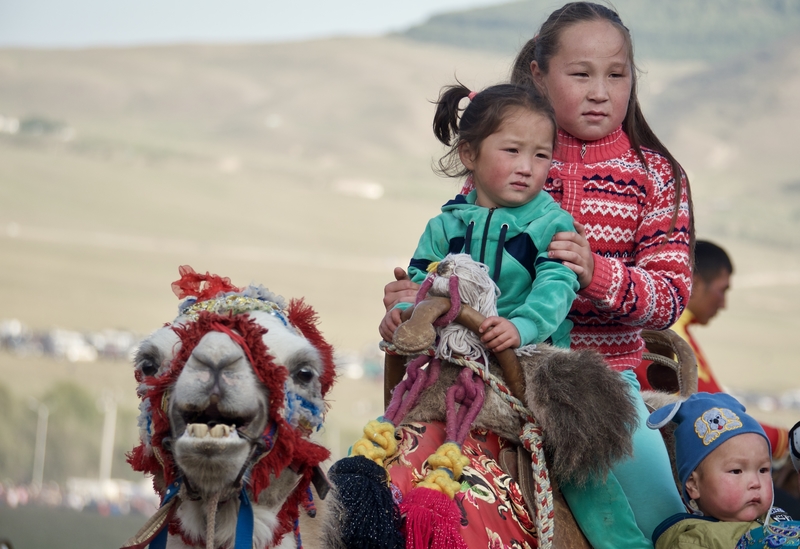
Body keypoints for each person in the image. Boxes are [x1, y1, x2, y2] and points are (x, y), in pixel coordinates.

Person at [383, 3, 692, 547]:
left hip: (599, 381)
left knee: (660, 520)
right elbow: (455, 260)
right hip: (483, 367)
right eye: (580, 73)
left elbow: (669, 298)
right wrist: (413, 295)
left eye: (616, 75)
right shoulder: (506, 159)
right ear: (538, 76)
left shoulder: (655, 175)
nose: (600, 91)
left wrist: (597, 273)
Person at [379, 82, 579, 352]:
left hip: (533, 355)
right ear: (469, 154)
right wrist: (402, 313)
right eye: (512, 150)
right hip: (454, 352)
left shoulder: (550, 224)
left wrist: (523, 327)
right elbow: (418, 285)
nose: (526, 168)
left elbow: (557, 285)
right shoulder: (444, 227)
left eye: (541, 155)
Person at [636, 240, 790, 462]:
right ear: (696, 284)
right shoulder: (666, 335)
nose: (724, 303)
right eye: (722, 290)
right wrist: (784, 438)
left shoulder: (675, 328)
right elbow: (710, 412)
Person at [648, 392, 800, 548]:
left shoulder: (777, 516)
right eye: (736, 471)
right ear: (694, 485)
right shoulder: (696, 541)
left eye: (763, 470)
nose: (755, 483)